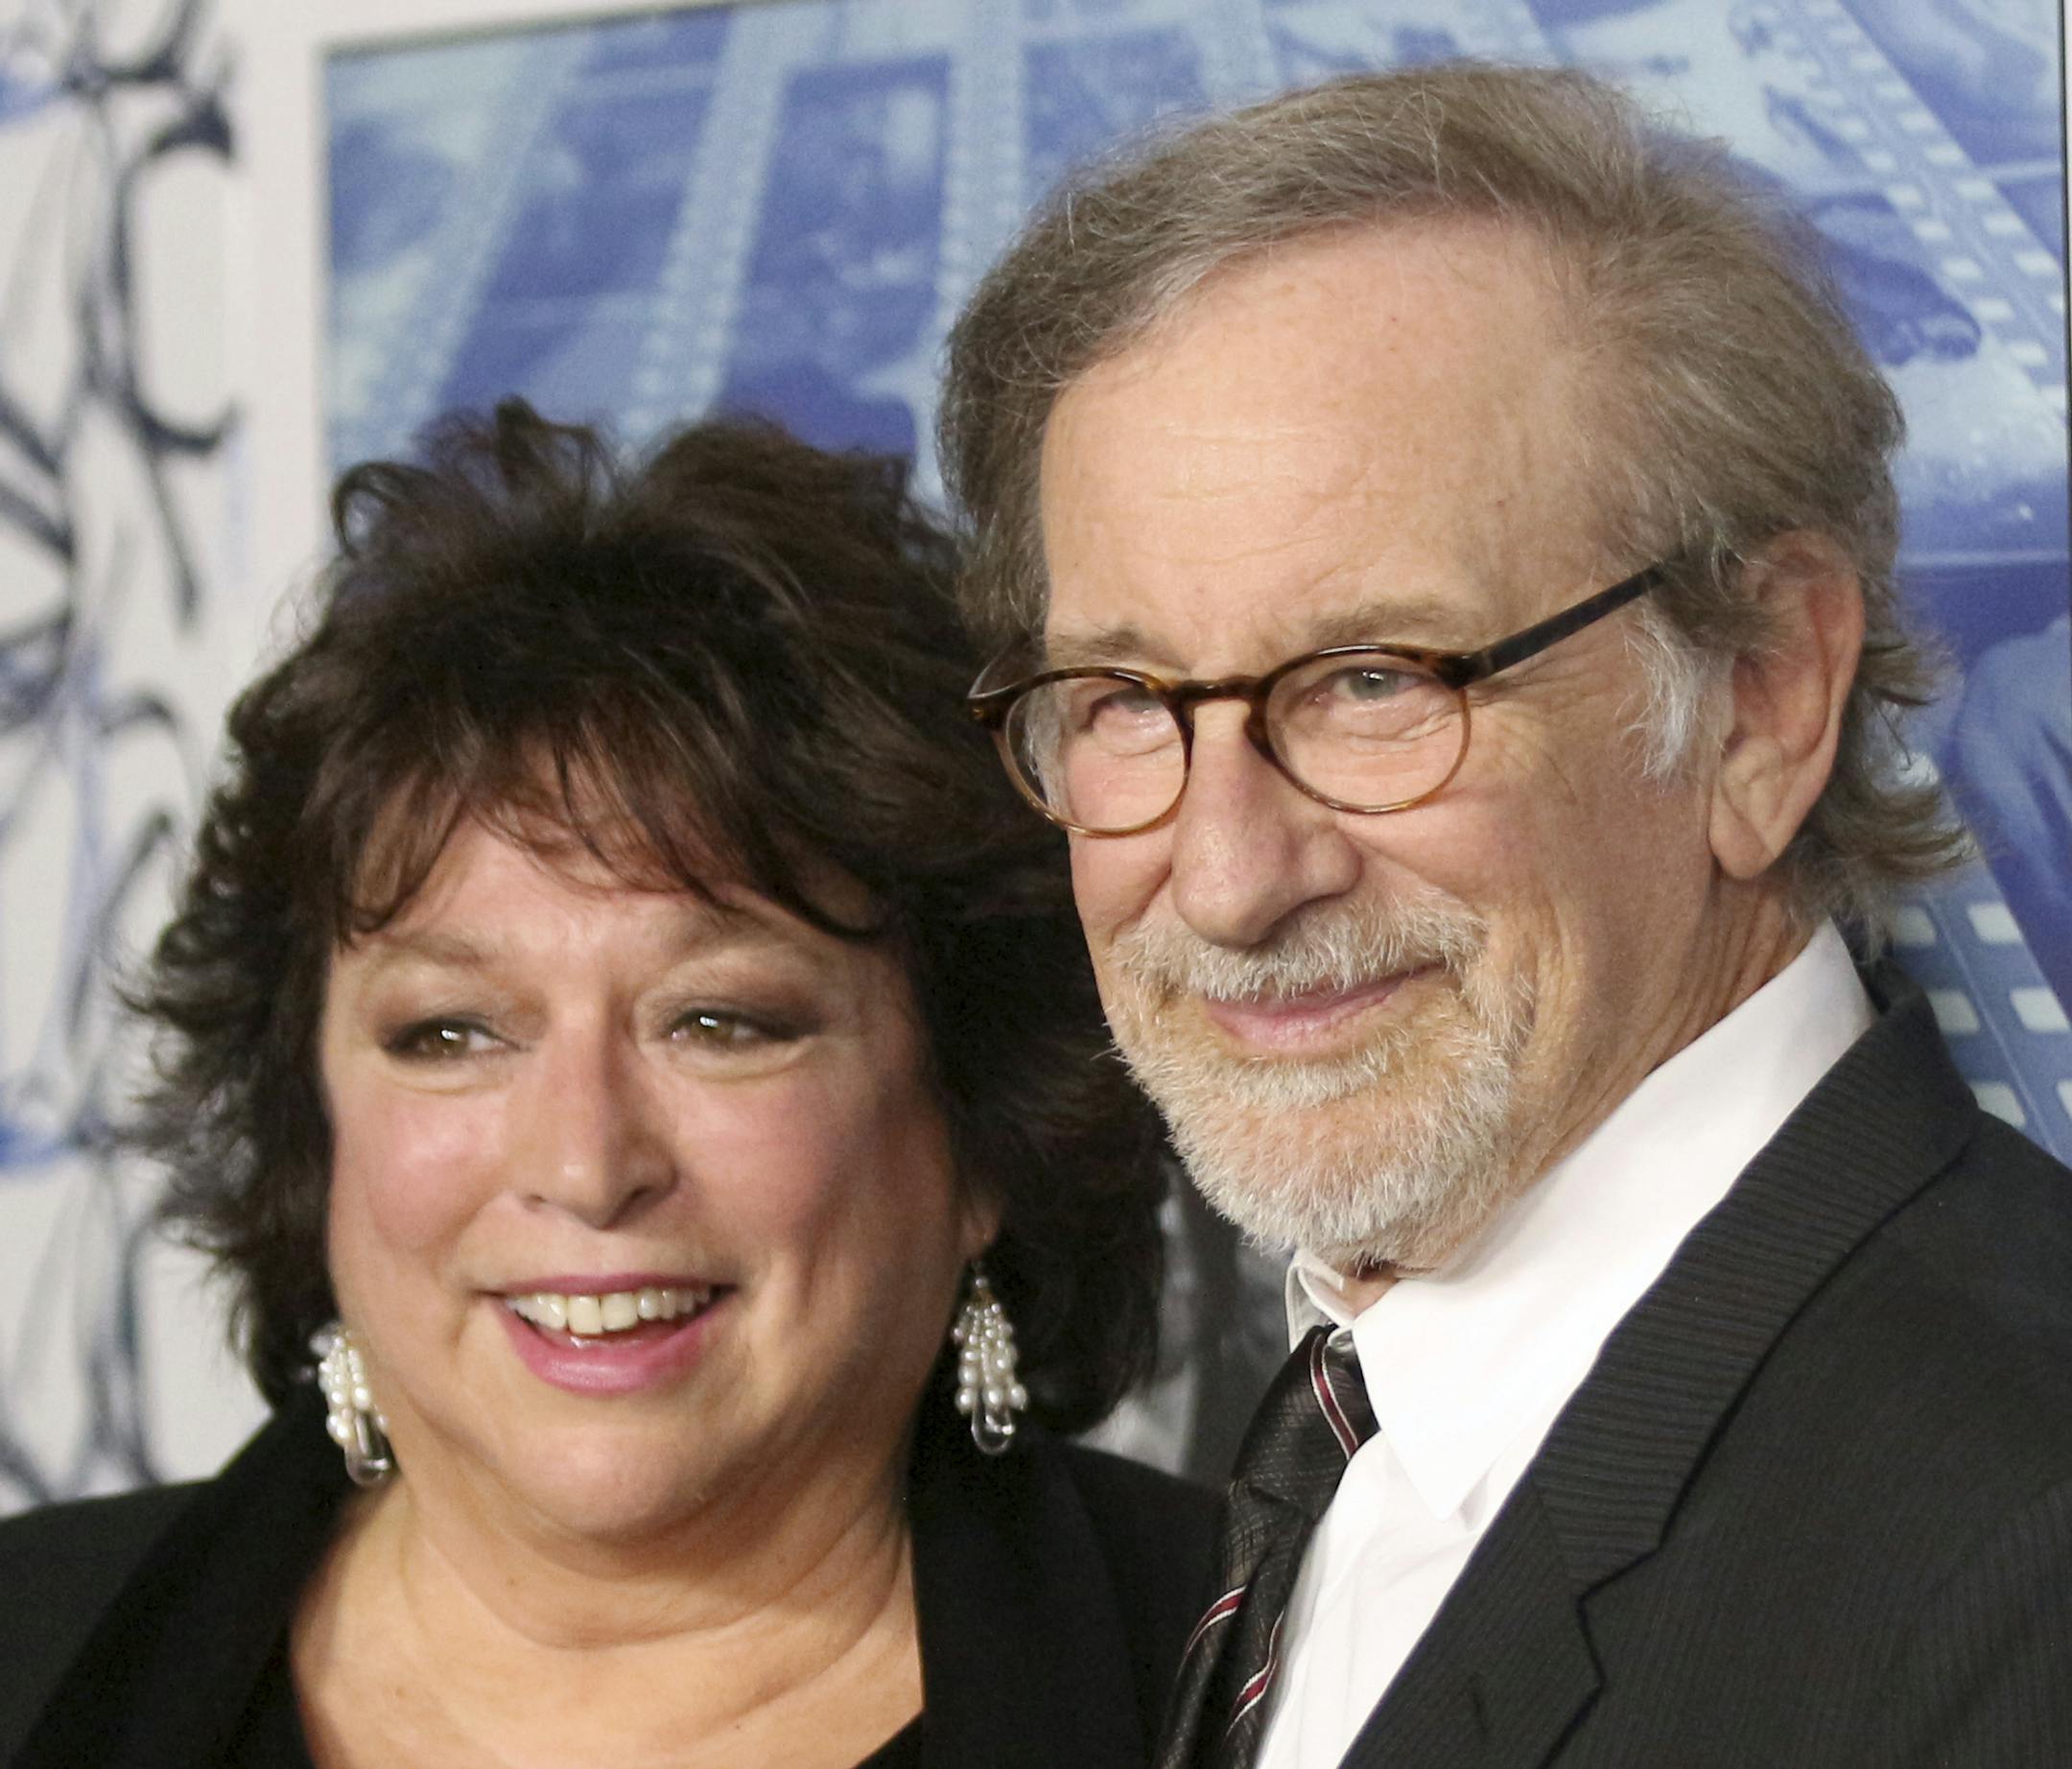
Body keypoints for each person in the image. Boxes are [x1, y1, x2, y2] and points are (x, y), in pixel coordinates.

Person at [941, 61, 2072, 1768]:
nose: (1233, 877)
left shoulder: (2024, 1547)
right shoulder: (1362, 1409)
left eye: (1375, 681)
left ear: (1762, 697)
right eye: (1121, 697)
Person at [0, 402, 1213, 1769]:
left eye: (719, 1020)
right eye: (453, 1034)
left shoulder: (1289, 1684)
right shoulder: (27, 1648)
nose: (584, 1163)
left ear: (984, 1128)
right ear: (311, 1119)